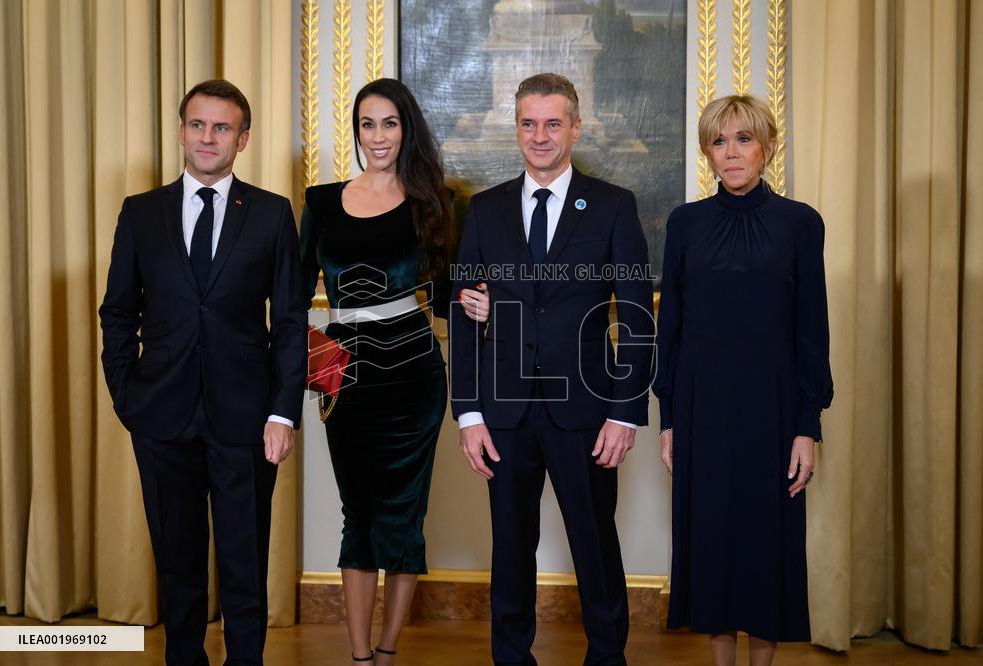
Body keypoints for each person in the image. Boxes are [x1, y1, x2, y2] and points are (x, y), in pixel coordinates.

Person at [99, 79, 307, 665]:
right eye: (197, 124)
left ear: (242, 139)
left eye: (221, 127)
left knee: (245, 560)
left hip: (247, 418)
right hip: (160, 414)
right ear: (183, 130)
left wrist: (282, 411)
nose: (207, 137)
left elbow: (290, 320)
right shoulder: (141, 213)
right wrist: (127, 395)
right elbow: (117, 313)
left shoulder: (270, 215)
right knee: (178, 558)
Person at [448, 73, 654, 666]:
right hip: (504, 414)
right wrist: (469, 413)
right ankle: (511, 657)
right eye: (528, 123)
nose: (540, 136)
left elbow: (637, 317)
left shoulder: (613, 206)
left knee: (594, 545)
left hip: (586, 411)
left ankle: (607, 657)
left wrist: (625, 413)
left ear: (575, 128)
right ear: (516, 128)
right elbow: (464, 314)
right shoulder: (484, 211)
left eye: (553, 123)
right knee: (511, 547)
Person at [299, 77, 487, 665]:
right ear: (355, 131)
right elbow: (291, 297)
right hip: (347, 380)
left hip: (414, 379)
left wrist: (476, 303)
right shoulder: (321, 201)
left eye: (389, 123)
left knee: (405, 519)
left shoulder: (437, 203)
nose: (377, 136)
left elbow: (452, 295)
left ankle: (386, 653)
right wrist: (313, 360)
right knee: (359, 515)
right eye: (366, 124)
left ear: (407, 129)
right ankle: (359, 658)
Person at [653, 94, 834, 666]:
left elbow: (812, 330)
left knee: (766, 545)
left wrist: (808, 427)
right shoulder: (684, 223)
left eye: (743, 139)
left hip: (774, 411)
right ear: (707, 152)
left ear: (768, 147)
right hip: (702, 408)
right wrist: (670, 421)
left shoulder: (801, 223)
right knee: (711, 544)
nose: (731, 153)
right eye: (718, 141)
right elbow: (671, 330)